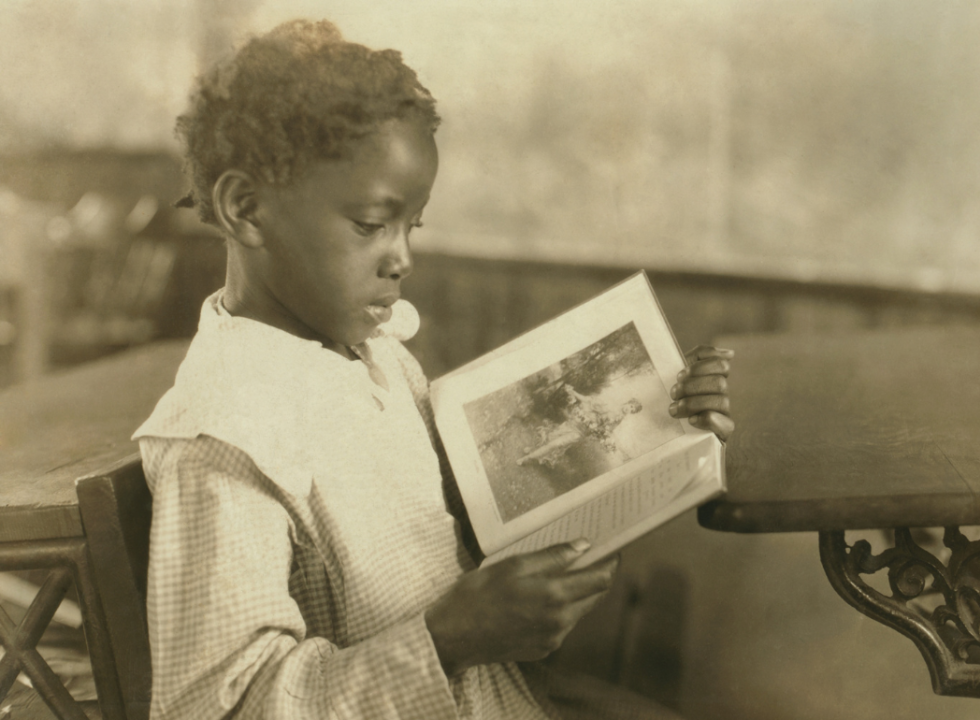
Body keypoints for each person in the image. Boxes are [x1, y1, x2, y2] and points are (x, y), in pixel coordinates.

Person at [134, 19, 735, 720]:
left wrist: (662, 427)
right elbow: (218, 709)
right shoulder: (225, 435)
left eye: (410, 226)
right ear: (247, 208)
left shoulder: (375, 357)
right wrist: (447, 640)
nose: (402, 258)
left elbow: (467, 538)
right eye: (369, 225)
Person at [517, 386, 643, 468]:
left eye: (632, 410)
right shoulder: (610, 403)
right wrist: (573, 392)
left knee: (555, 444)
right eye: (631, 406)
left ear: (631, 413)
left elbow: (607, 431)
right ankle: (533, 450)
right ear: (628, 402)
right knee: (551, 437)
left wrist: (602, 435)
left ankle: (526, 459)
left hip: (580, 433)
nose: (629, 409)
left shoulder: (618, 420)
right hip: (574, 422)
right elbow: (588, 400)